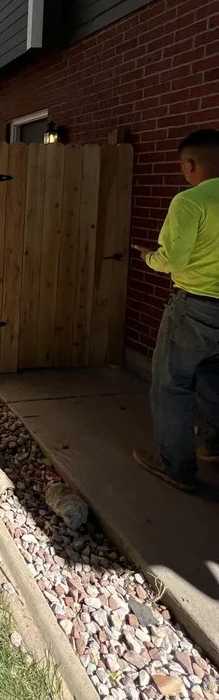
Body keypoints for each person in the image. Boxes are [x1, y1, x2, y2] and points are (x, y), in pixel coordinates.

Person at [132, 127, 219, 493]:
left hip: (194, 306)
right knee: (214, 381)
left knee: (172, 385)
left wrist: (148, 257)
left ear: (191, 164)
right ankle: (213, 446)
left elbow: (174, 259)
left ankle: (177, 468)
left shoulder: (190, 202)